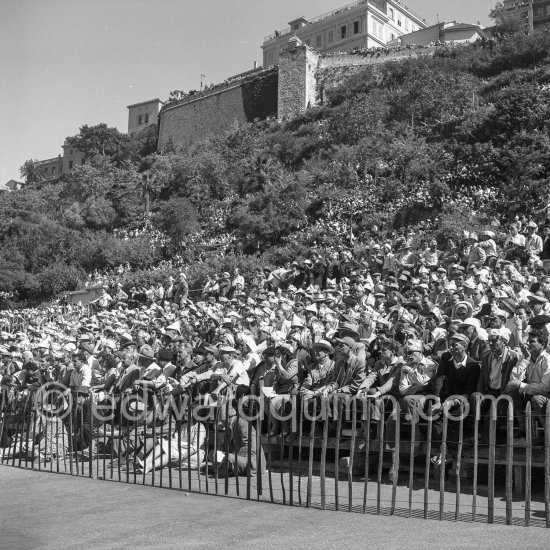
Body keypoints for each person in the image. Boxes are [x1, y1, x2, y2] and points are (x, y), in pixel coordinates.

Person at [503, 330, 550, 445]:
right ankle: (523, 429)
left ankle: (547, 436)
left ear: (542, 344)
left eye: (532, 342)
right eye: (528, 341)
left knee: (536, 399)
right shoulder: (526, 357)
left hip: (545, 395)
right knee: (512, 393)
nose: (528, 344)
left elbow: (545, 388)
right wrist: (526, 358)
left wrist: (520, 385)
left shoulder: (547, 360)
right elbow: (514, 378)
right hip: (529, 392)